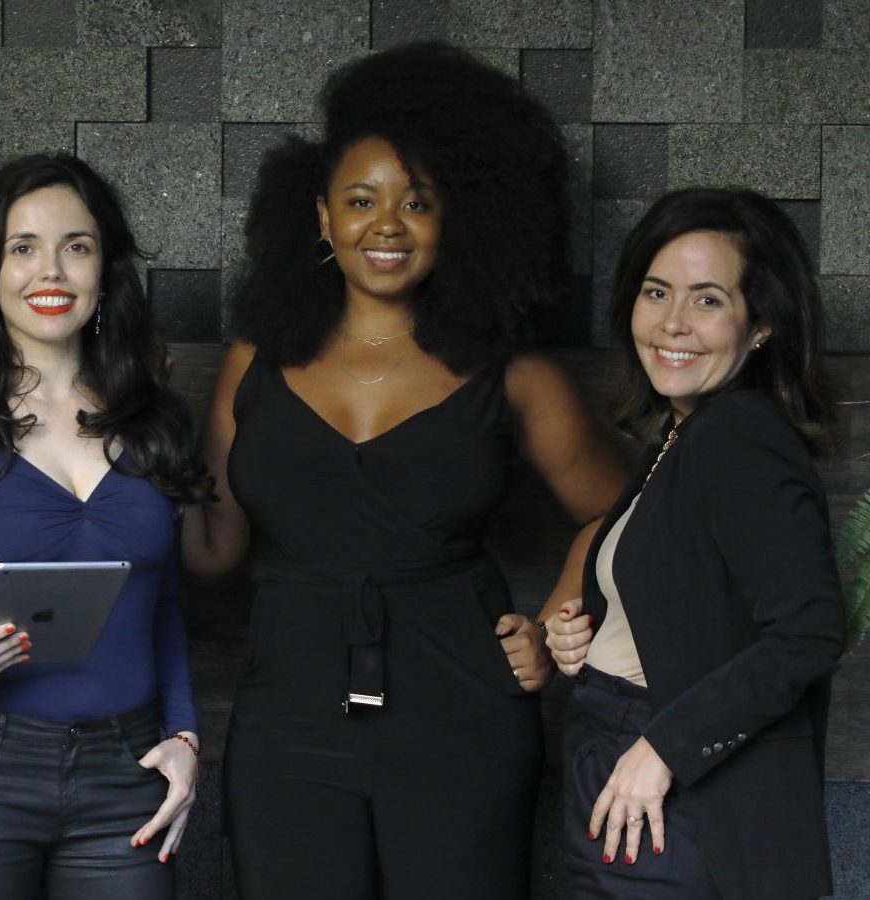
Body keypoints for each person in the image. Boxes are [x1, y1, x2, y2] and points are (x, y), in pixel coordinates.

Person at [181, 42, 628, 899]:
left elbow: (623, 509)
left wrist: (552, 623)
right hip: (290, 719)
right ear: (319, 217)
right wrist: (122, 437)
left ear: (451, 218)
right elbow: (211, 550)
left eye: (415, 202)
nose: (386, 225)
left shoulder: (515, 377)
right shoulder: (255, 364)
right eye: (361, 200)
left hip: (463, 717)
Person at [0, 153, 211, 900]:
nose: (50, 272)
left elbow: (161, 607)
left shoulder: (156, 420)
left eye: (76, 247)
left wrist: (185, 739)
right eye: (22, 247)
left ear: (105, 270)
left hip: (129, 768)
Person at [544, 188, 844, 900]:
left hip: (673, 791)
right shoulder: (685, 436)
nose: (673, 324)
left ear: (761, 324)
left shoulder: (739, 437)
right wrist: (588, 634)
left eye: (708, 300)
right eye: (656, 293)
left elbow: (808, 631)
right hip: (619, 757)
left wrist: (662, 749)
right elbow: (687, 598)